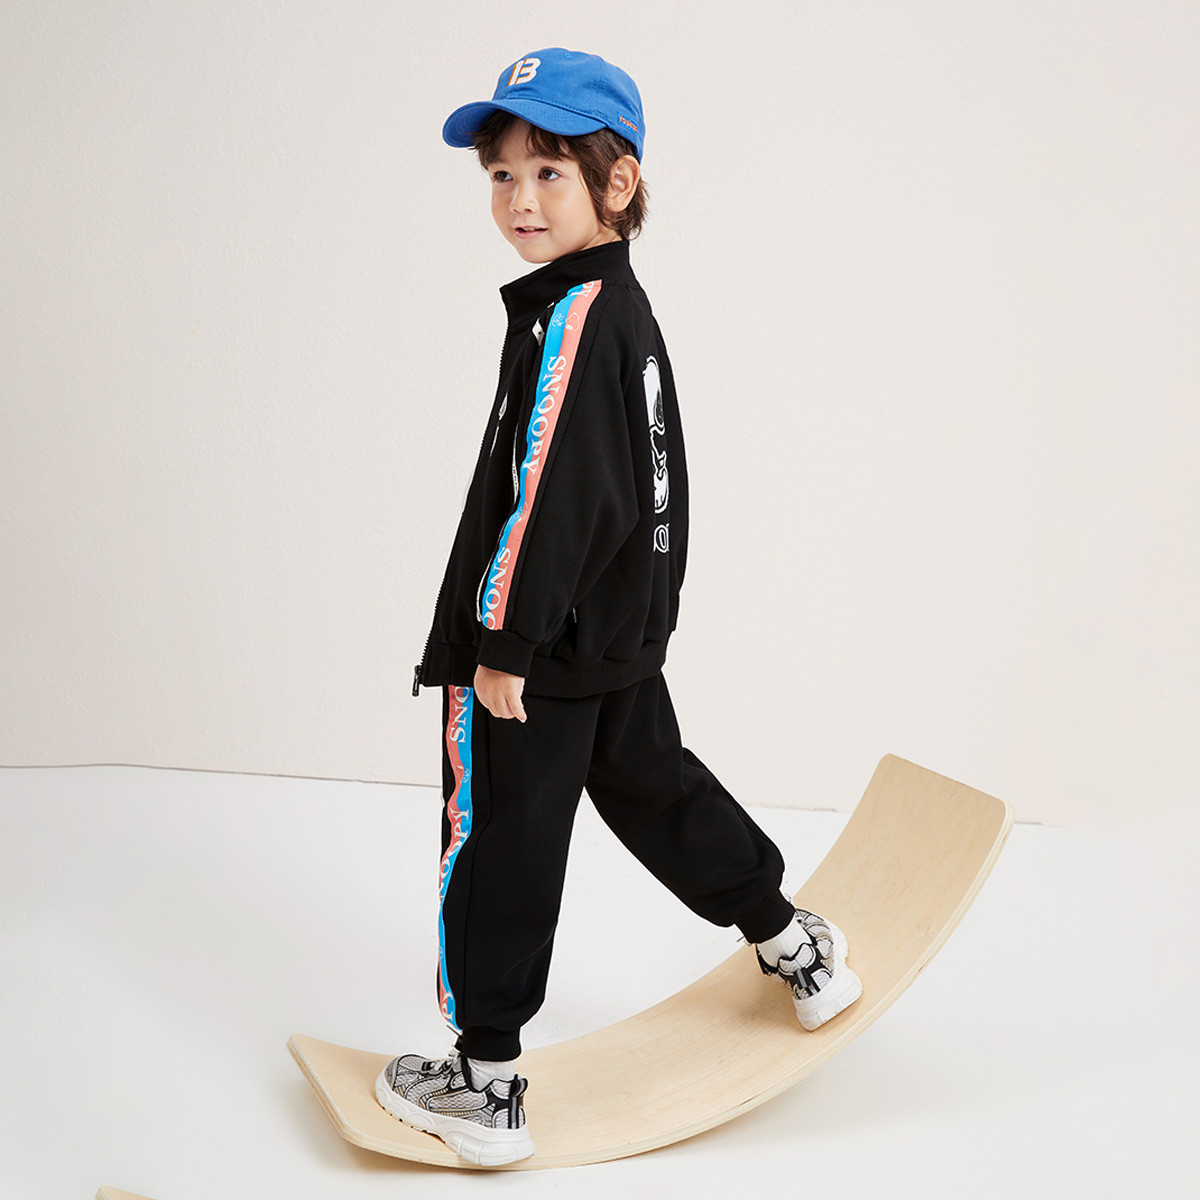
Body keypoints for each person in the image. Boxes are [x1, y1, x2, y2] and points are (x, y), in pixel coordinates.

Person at [375, 48, 862, 1166]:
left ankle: (485, 1083)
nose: (520, 199)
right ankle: (793, 945)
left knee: (500, 837)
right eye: (502, 175)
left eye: (549, 172)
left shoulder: (576, 318)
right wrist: (641, 624)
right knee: (658, 791)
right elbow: (651, 485)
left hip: (537, 650)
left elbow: (558, 492)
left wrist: (503, 642)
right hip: (612, 638)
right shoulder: (618, 309)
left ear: (619, 181)